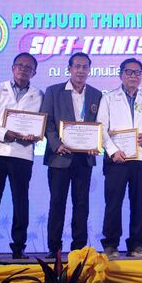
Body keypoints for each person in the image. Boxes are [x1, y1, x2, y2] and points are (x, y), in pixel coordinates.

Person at [0, 53, 44, 259]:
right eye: (20, 65)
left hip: (22, 154)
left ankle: (19, 246)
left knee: (21, 201)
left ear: (34, 72)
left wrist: (36, 135)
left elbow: (42, 123)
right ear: (13, 68)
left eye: (28, 67)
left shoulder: (39, 95)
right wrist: (4, 133)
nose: (23, 69)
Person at [41, 52, 102, 257]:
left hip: (84, 158)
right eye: (77, 66)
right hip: (59, 157)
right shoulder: (53, 91)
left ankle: (79, 248)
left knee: (81, 204)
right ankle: (54, 248)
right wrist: (56, 144)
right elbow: (47, 121)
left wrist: (96, 143)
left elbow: (100, 124)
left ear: (89, 70)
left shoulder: (96, 94)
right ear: (69, 68)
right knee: (57, 203)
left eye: (85, 67)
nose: (81, 71)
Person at [96, 58, 142, 259]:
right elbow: (101, 128)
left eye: (137, 72)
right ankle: (111, 244)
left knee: (139, 202)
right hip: (117, 159)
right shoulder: (108, 98)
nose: (133, 76)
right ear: (120, 74)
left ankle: (136, 245)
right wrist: (113, 150)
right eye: (129, 72)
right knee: (113, 202)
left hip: (141, 159)